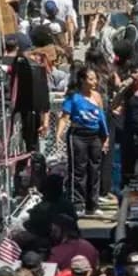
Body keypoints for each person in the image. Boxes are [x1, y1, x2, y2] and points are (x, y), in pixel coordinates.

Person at [57, 67, 108, 217]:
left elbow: (102, 118)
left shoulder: (97, 96)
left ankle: (92, 204)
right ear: (82, 80)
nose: (94, 82)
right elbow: (65, 117)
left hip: (95, 136)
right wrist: (59, 134)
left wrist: (106, 137)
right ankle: (78, 204)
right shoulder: (73, 97)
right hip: (78, 135)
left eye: (95, 79)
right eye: (91, 79)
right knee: (78, 170)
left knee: (95, 169)